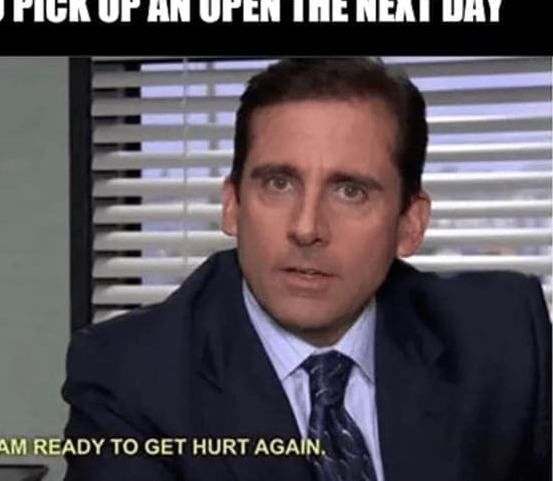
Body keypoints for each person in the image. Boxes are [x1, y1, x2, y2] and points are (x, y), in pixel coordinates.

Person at [62, 58, 551, 481]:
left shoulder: (503, 339)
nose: (306, 227)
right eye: (278, 183)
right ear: (232, 205)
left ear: (409, 223)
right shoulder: (129, 377)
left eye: (350, 191)